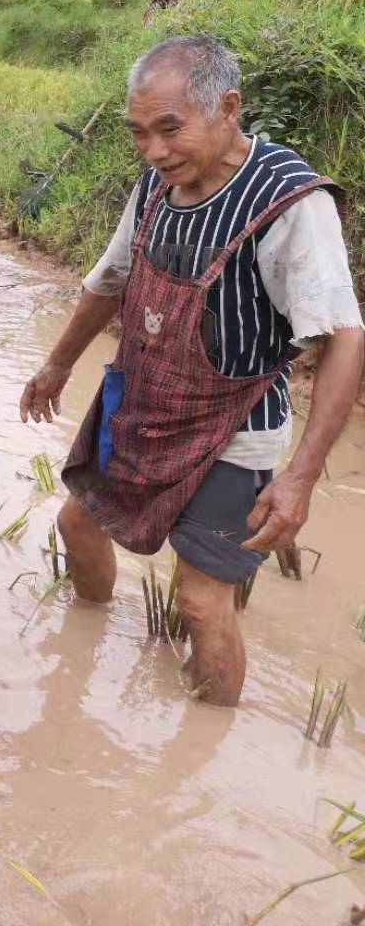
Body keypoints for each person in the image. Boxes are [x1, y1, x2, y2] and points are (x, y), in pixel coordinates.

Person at [19, 36, 363, 707]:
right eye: (139, 133)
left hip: (236, 429)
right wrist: (57, 363)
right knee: (77, 525)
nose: (152, 151)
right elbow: (112, 277)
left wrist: (299, 479)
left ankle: (206, 733)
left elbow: (346, 340)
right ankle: (80, 657)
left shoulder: (291, 202)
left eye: (169, 129)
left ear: (229, 107)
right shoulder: (157, 183)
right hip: (145, 405)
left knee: (203, 602)